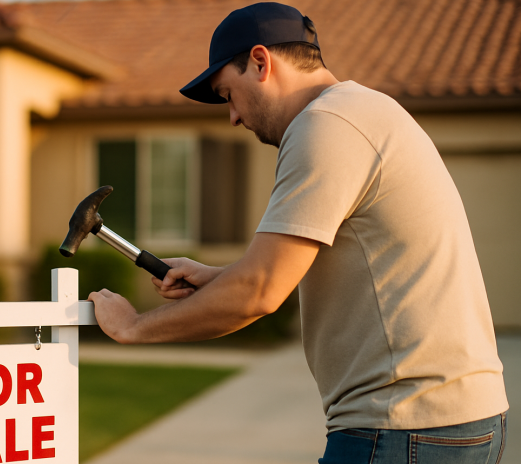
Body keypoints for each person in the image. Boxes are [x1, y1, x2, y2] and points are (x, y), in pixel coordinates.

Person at [87, 2, 508, 463]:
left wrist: (133, 328)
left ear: (261, 62)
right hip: (455, 419)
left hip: (403, 426)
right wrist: (222, 275)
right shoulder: (363, 110)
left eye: (228, 94)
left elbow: (260, 292)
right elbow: (290, 269)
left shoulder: (325, 125)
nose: (232, 118)